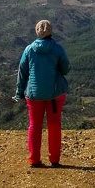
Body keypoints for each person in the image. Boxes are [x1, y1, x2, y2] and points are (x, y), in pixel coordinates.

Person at [14, 19, 70, 168]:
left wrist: (19, 92)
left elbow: (22, 73)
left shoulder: (29, 50)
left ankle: (34, 160)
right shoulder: (58, 49)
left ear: (37, 31)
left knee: (34, 126)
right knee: (54, 125)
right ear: (51, 31)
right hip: (55, 94)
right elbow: (65, 69)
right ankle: (55, 160)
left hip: (34, 94)